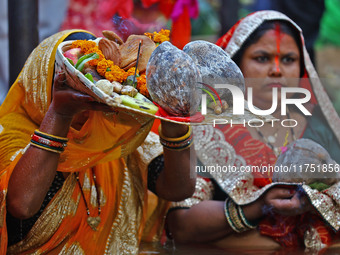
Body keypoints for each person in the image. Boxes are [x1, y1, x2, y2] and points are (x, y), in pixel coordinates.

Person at [0, 29, 196, 254]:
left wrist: (173, 120)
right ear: (44, 81)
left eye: (94, 80)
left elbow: (178, 189)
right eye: (75, 79)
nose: (86, 91)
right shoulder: (10, 136)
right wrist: (60, 114)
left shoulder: (113, 135)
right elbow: (22, 205)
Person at [166, 10, 340, 251]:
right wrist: (258, 206)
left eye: (289, 59)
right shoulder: (209, 131)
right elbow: (181, 225)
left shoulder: (318, 125)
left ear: (302, 68)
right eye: (262, 58)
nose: (277, 70)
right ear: (235, 68)